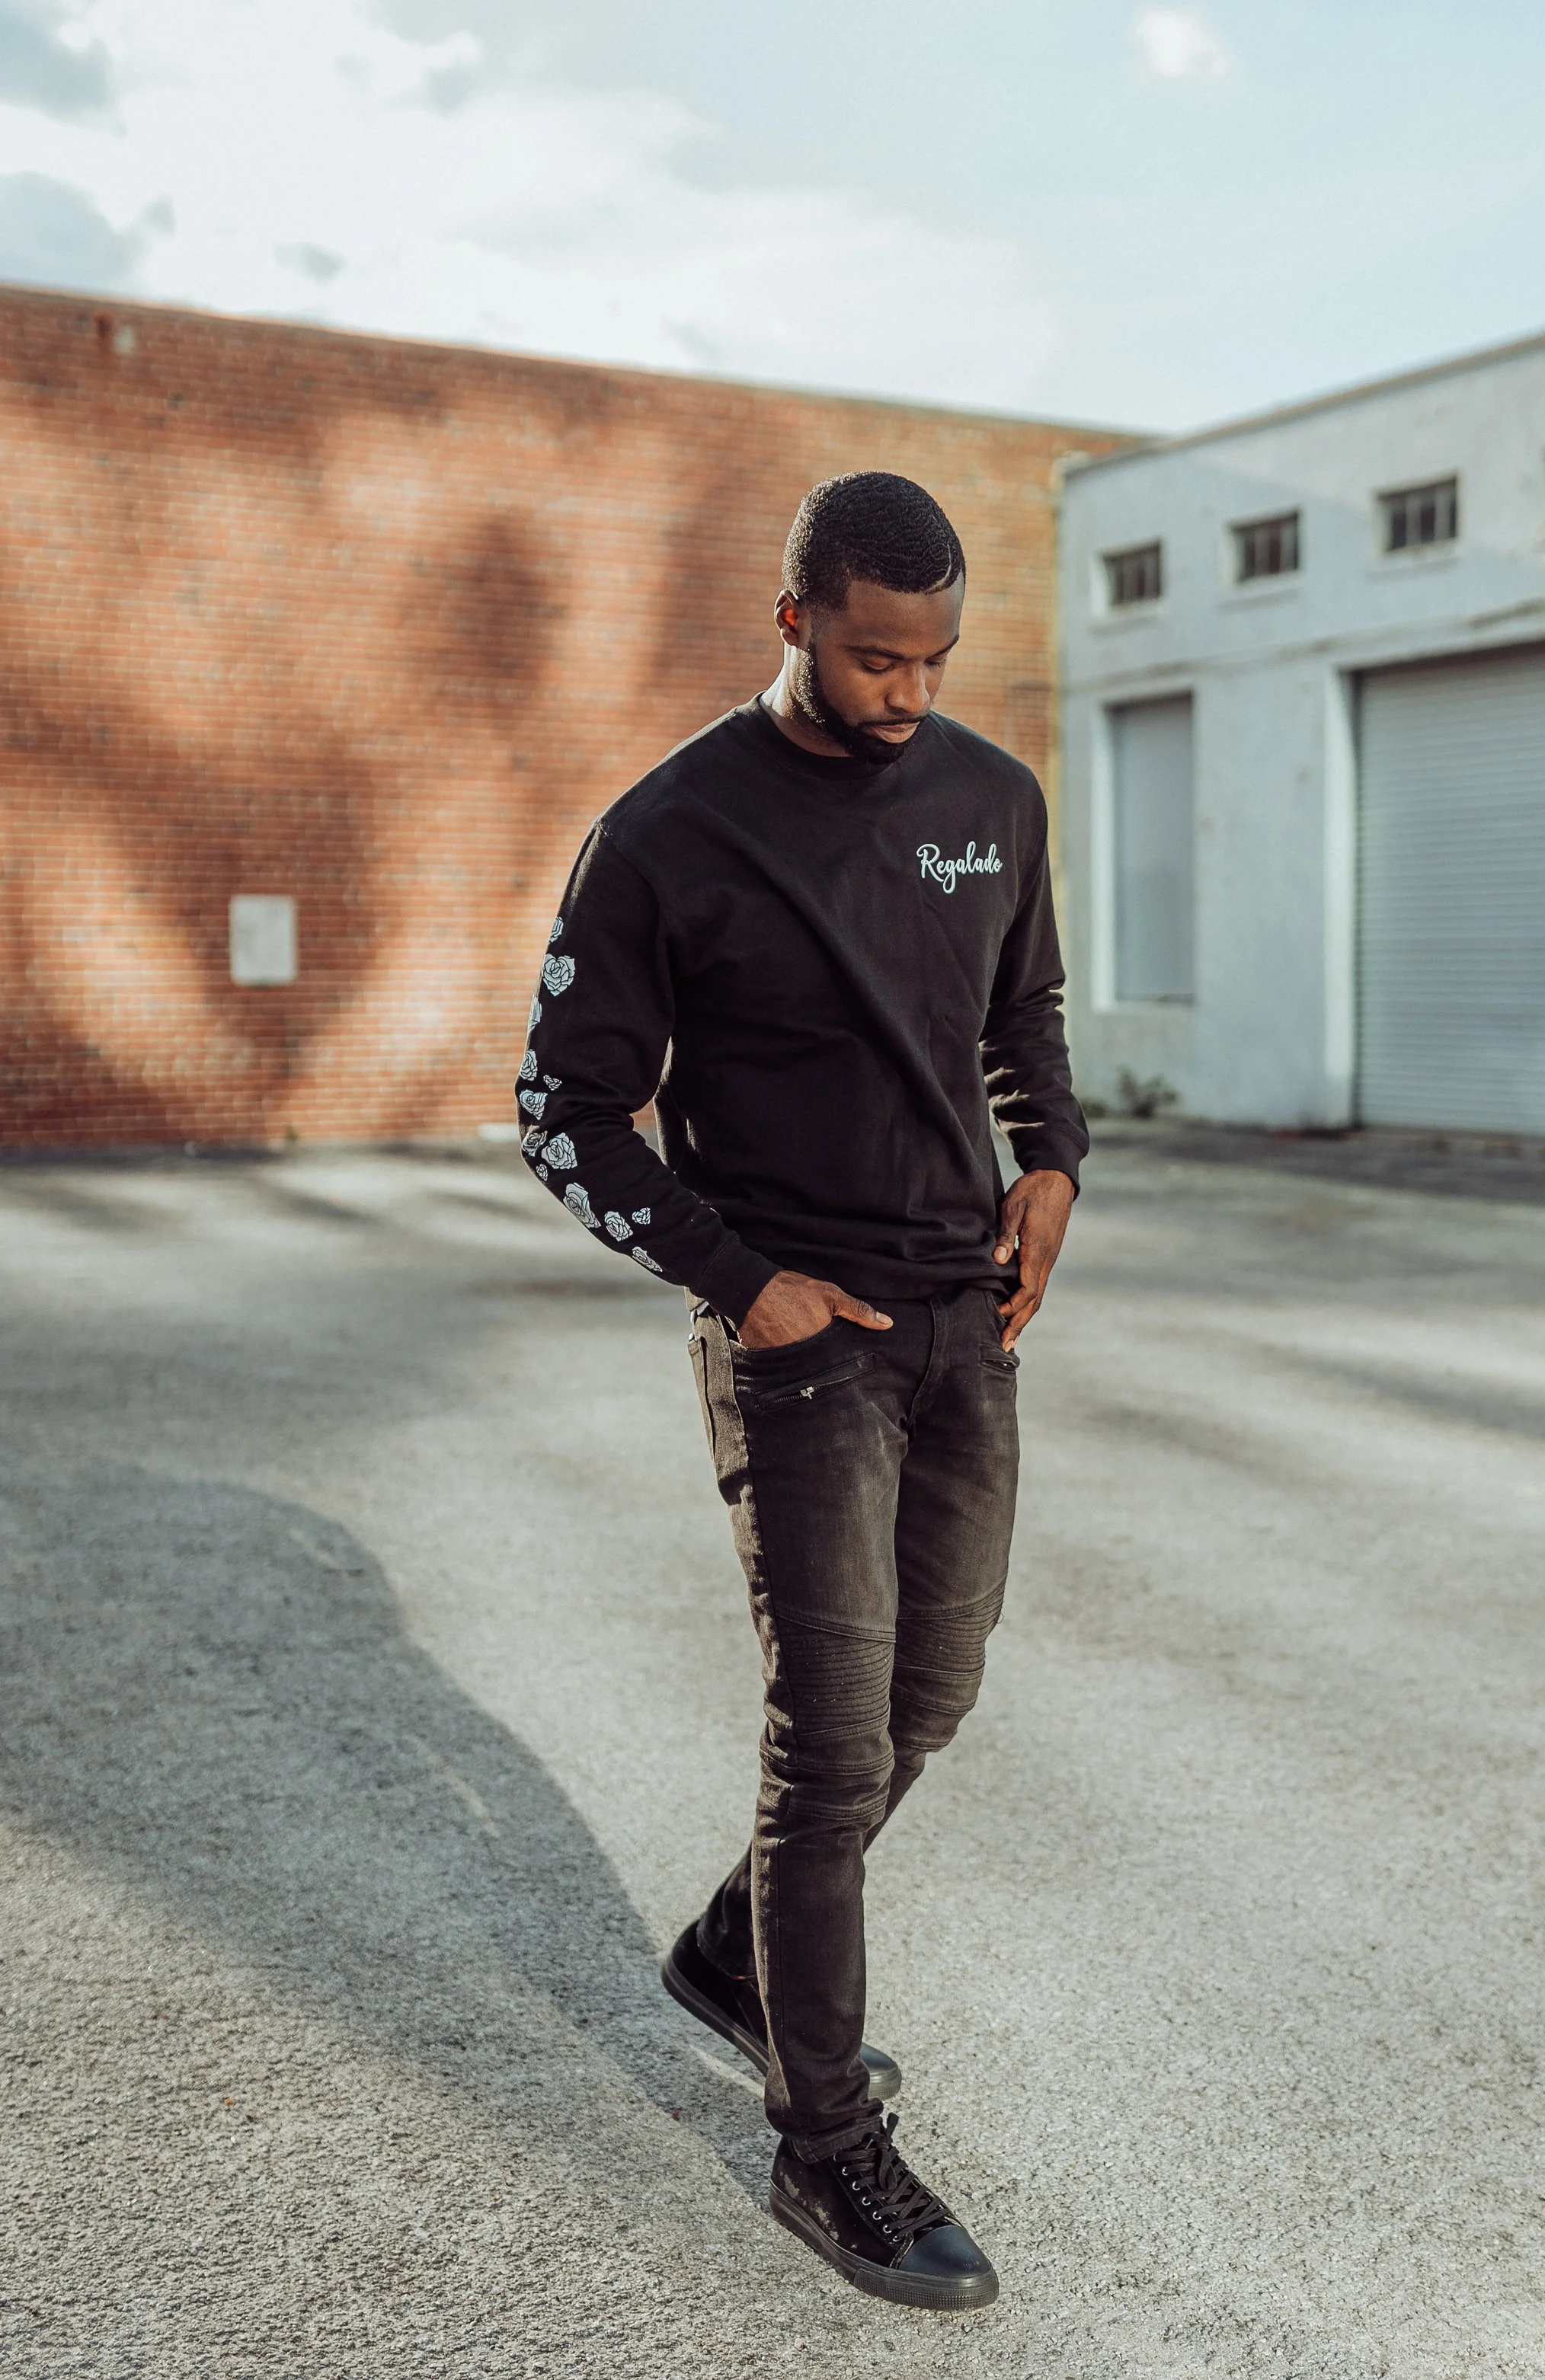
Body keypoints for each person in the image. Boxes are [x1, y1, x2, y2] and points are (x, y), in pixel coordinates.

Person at [515, 471, 1086, 2312]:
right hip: (804, 1343)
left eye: (930, 657)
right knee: (829, 1736)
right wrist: (745, 1287)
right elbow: (561, 1109)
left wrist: (1053, 1161)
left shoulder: (992, 800)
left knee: (935, 1696)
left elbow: (1024, 1023)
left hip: (964, 1325)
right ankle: (819, 2130)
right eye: (869, 656)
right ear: (792, 621)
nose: (906, 691)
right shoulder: (667, 832)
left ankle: (728, 1950)